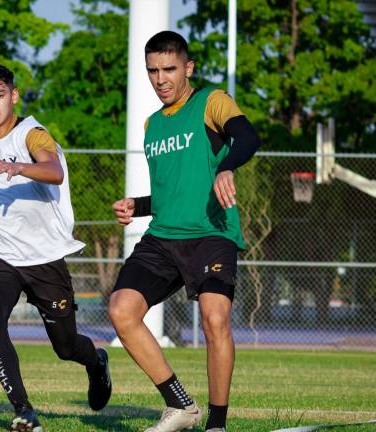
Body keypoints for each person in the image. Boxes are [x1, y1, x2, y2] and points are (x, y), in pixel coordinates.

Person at [0, 64, 111, 432]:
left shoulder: (32, 135)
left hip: (44, 258)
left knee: (65, 347)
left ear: (14, 96)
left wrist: (18, 168)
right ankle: (23, 410)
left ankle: (96, 361)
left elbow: (53, 171)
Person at [108, 31, 262, 432]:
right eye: (153, 71)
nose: (161, 79)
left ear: (188, 68)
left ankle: (217, 424)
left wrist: (227, 166)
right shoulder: (152, 125)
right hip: (163, 237)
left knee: (215, 319)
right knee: (121, 310)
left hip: (211, 232)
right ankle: (181, 406)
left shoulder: (211, 101)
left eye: (169, 69)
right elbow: (171, 193)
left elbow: (247, 137)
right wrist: (137, 206)